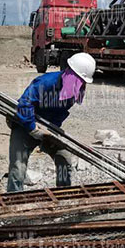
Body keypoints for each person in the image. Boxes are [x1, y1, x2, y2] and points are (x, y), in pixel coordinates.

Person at [7, 52, 96, 192]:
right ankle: (14, 198)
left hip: (48, 129)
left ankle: (63, 194)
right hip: (24, 125)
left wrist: (52, 131)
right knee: (18, 166)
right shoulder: (46, 82)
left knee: (64, 158)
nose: (81, 85)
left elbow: (60, 112)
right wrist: (32, 128)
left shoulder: (74, 91)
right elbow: (25, 104)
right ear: (70, 73)